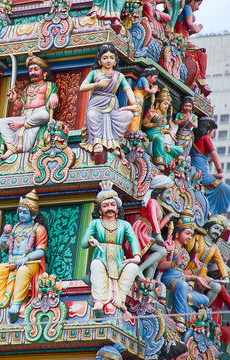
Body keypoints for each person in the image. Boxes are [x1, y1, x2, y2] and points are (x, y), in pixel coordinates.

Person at [0, 190, 47, 322]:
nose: (21, 215)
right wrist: (3, 242)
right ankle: (1, 299)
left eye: (25, 212)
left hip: (31, 264)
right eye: (20, 212)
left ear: (32, 215)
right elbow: (8, 248)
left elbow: (41, 251)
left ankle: (16, 304)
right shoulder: (15, 228)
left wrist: (26, 258)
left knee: (22, 271)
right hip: (13, 262)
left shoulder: (38, 228)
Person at [81, 180, 141, 312]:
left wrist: (136, 255)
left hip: (119, 259)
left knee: (132, 268)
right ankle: (100, 300)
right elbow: (83, 241)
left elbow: (133, 240)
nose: (110, 208)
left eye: (113, 205)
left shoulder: (124, 225)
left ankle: (120, 299)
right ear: (100, 210)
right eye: (105, 205)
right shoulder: (96, 223)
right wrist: (90, 241)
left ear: (117, 208)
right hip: (101, 257)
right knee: (96, 265)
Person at [0, 55, 59, 160]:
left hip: (38, 114)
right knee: (0, 122)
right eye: (30, 70)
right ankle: (11, 147)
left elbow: (53, 97)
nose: (32, 72)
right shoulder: (27, 89)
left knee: (44, 115)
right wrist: (14, 100)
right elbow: (23, 106)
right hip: (26, 115)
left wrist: (54, 96)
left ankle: (21, 125)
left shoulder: (48, 85)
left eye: (36, 69)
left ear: (44, 73)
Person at [79, 43, 137, 156]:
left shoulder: (119, 75)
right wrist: (98, 84)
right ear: (100, 61)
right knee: (92, 115)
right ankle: (97, 142)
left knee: (128, 115)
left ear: (115, 61)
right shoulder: (94, 73)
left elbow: (128, 89)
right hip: (96, 103)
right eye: (105, 58)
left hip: (112, 105)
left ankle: (114, 144)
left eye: (111, 58)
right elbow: (82, 87)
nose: (108, 61)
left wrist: (133, 104)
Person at [158, 213, 209, 322]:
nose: (189, 237)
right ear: (177, 233)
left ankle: (184, 299)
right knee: (182, 285)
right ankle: (179, 316)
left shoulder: (185, 252)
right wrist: (174, 263)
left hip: (181, 281)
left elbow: (182, 273)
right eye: (187, 233)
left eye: (191, 235)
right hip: (169, 278)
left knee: (205, 299)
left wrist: (195, 272)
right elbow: (159, 265)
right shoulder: (170, 245)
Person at [130, 175, 176, 280]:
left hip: (147, 231)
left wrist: (167, 218)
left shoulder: (158, 205)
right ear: (159, 193)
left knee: (154, 261)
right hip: (141, 229)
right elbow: (154, 220)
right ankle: (139, 269)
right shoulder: (152, 202)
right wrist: (158, 235)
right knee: (162, 251)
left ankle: (147, 283)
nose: (169, 196)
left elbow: (157, 225)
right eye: (168, 192)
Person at [186, 215, 230, 306]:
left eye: (220, 231)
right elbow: (187, 247)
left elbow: (220, 262)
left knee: (216, 286)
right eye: (216, 228)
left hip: (202, 273)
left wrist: (225, 277)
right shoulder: (198, 237)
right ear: (209, 226)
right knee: (188, 286)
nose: (217, 232)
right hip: (190, 267)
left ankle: (202, 311)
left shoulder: (214, 247)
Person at [191, 117, 230, 215]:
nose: (213, 136)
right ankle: (220, 216)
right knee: (227, 189)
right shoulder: (205, 138)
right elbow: (214, 154)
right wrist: (220, 171)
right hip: (202, 175)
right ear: (208, 130)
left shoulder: (195, 141)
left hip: (199, 173)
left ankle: (209, 211)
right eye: (213, 132)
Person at [141, 88, 183, 171]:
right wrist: (154, 122)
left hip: (160, 136)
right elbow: (144, 123)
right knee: (159, 139)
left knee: (180, 149)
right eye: (165, 104)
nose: (166, 106)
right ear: (158, 104)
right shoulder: (153, 112)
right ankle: (158, 160)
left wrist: (169, 131)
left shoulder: (164, 117)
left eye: (168, 104)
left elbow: (162, 129)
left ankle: (165, 147)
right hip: (152, 134)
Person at [128, 67, 159, 132]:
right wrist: (153, 91)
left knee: (138, 116)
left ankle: (134, 130)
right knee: (135, 115)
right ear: (149, 76)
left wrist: (150, 94)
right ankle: (131, 131)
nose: (155, 80)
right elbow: (146, 89)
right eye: (155, 78)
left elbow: (145, 96)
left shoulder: (146, 81)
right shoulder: (143, 79)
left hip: (140, 98)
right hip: (136, 97)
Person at [174, 96, 197, 163]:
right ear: (182, 106)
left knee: (186, 151)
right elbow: (175, 122)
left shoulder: (194, 116)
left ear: (192, 107)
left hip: (188, 135)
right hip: (180, 134)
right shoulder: (180, 114)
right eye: (186, 106)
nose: (187, 108)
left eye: (189, 106)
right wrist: (184, 120)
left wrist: (190, 122)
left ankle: (183, 162)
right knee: (178, 149)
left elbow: (195, 126)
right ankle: (177, 162)